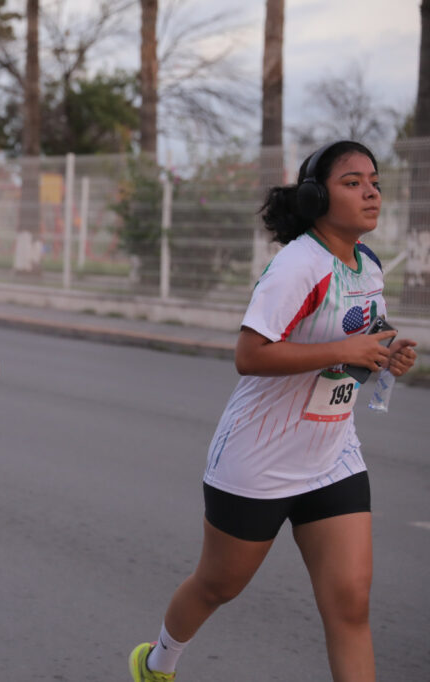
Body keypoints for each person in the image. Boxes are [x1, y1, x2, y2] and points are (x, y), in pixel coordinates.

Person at [128, 140, 419, 682]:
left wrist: (385, 355)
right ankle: (158, 661)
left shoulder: (368, 265)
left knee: (350, 606)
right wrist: (345, 351)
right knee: (219, 585)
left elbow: (358, 341)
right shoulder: (299, 265)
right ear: (315, 198)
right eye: (352, 182)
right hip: (260, 458)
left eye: (374, 180)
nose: (371, 191)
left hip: (333, 454)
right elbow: (250, 354)